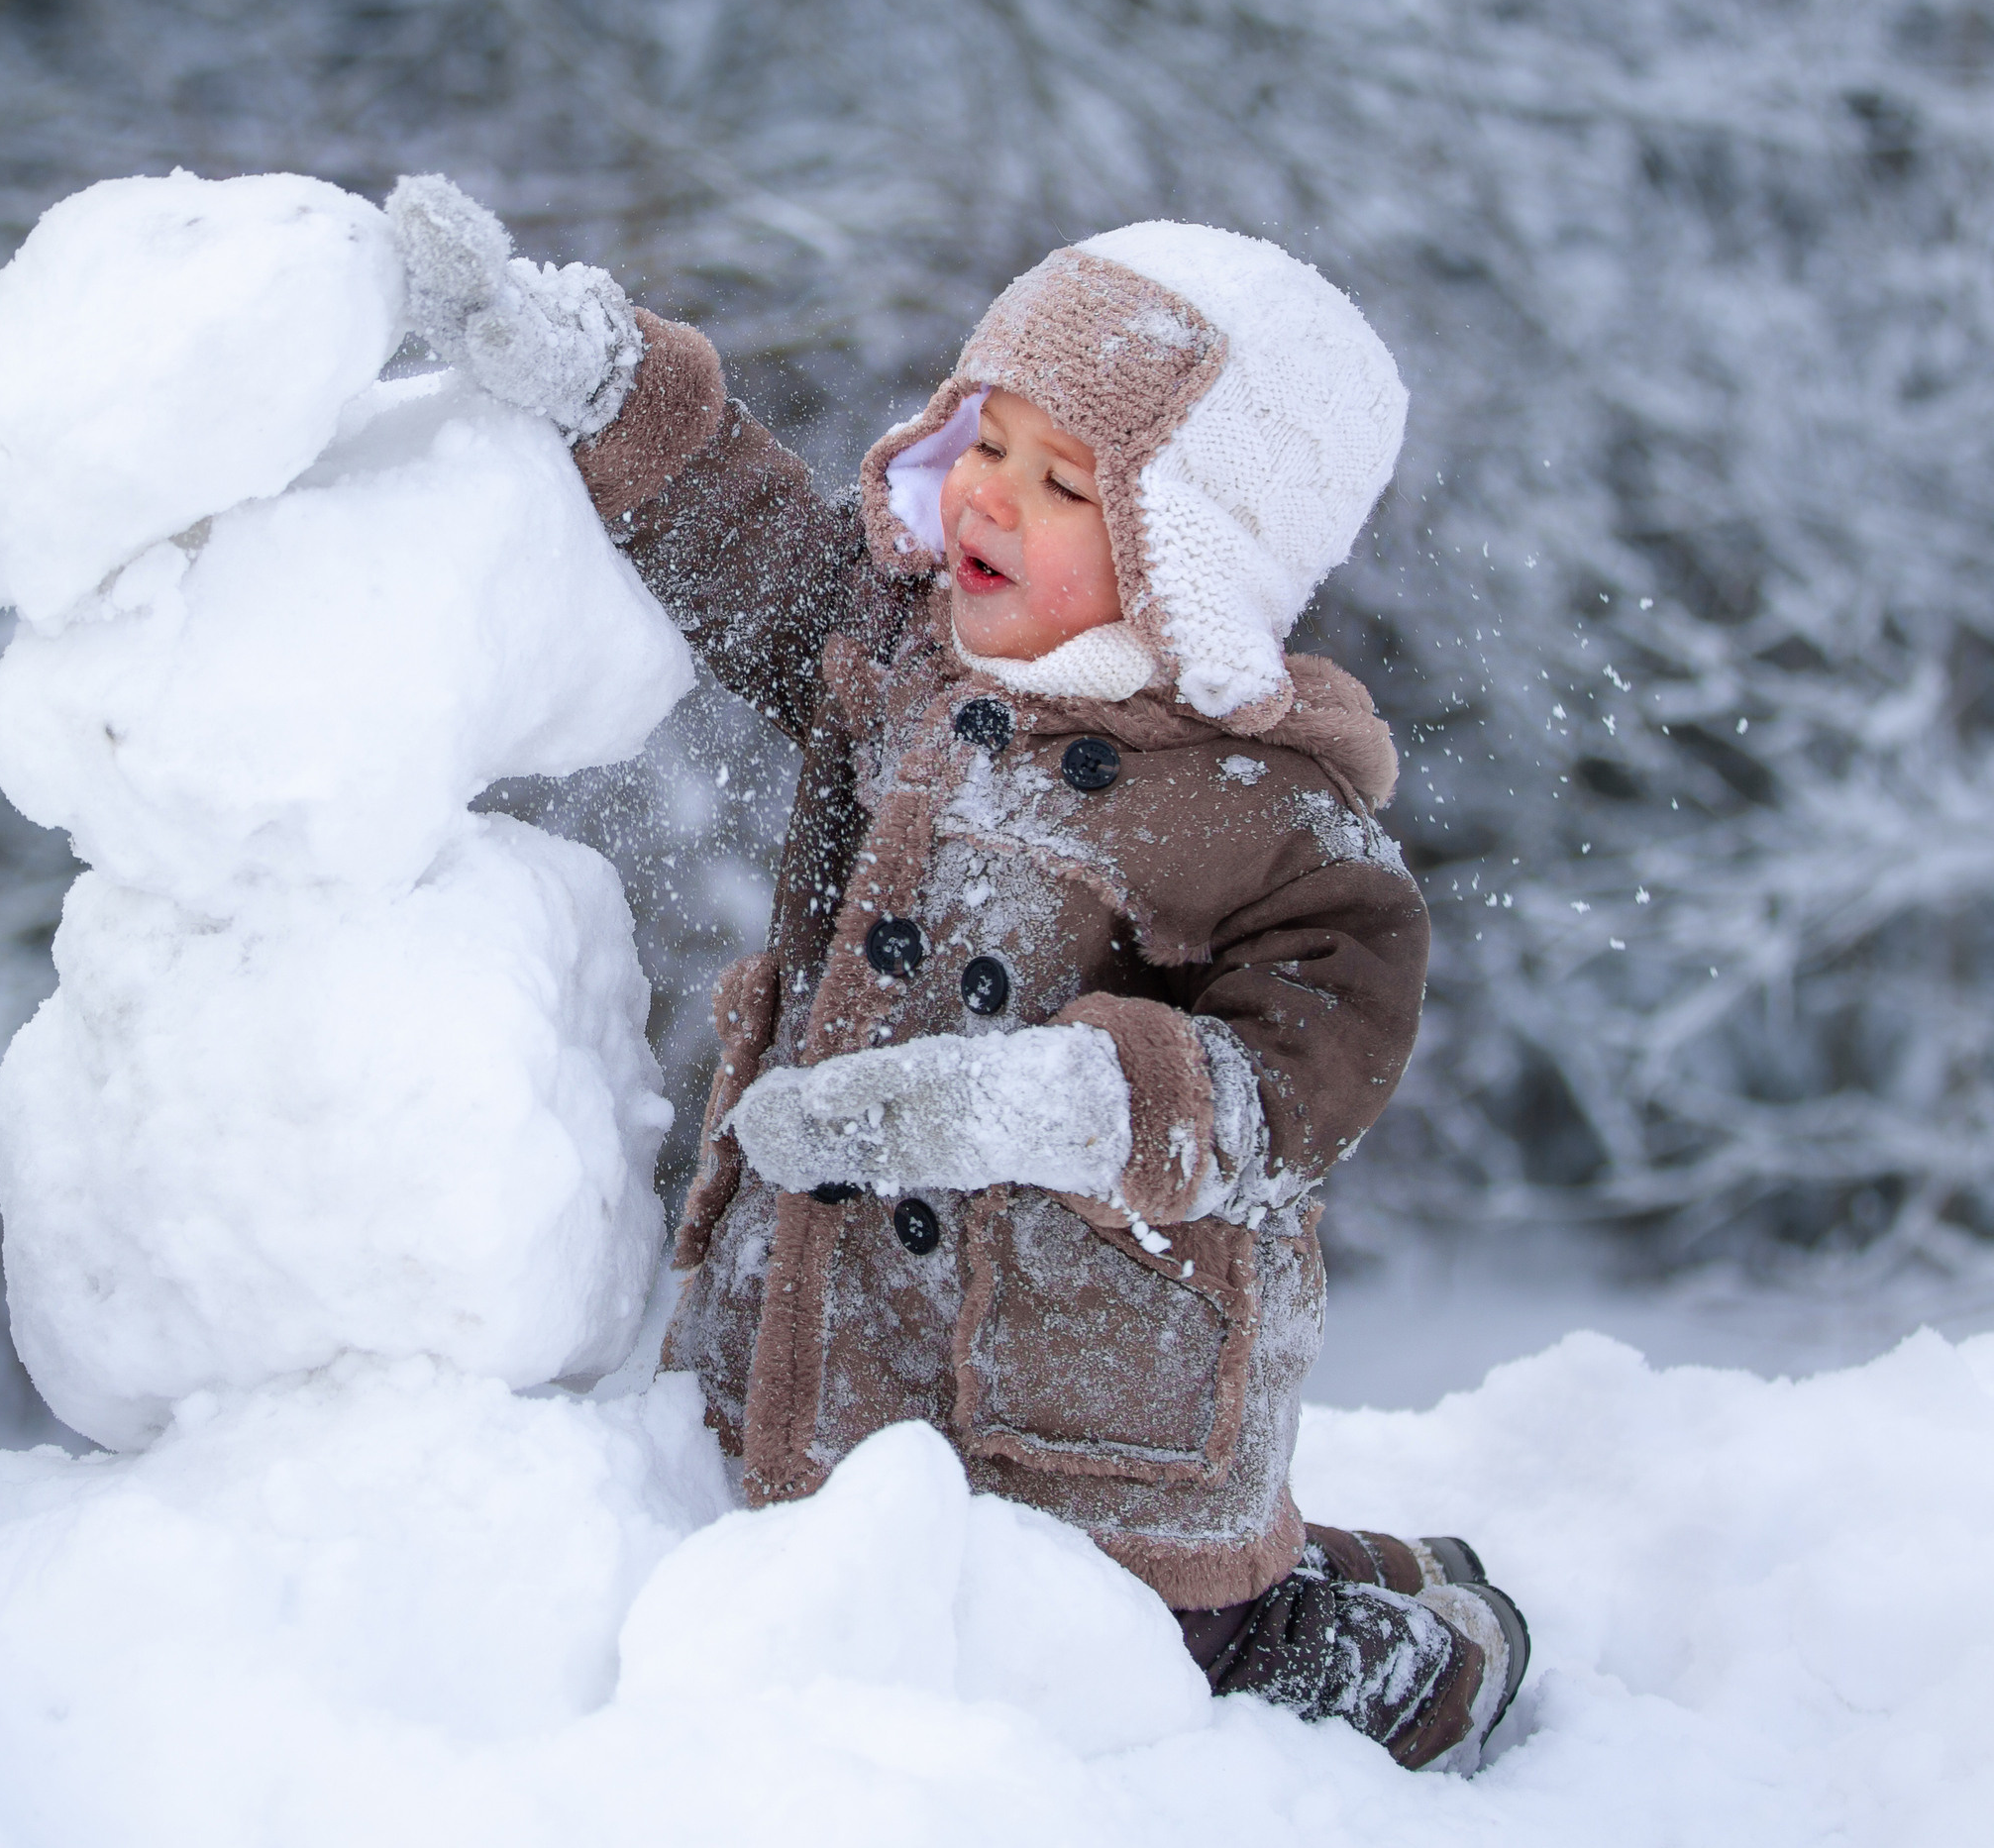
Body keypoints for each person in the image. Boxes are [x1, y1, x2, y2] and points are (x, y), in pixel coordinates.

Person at [385, 176, 1529, 1774]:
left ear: (1189, 556)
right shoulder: (909, 666)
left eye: (1066, 484)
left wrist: (1085, 1101)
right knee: (854, 1617)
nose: (988, 498)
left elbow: (1320, 1047)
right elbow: (753, 537)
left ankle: (1436, 1647)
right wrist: (596, 378)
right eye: (985, 440)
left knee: (1164, 1667)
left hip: (1084, 1422)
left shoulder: (1262, 812)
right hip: (826, 1340)